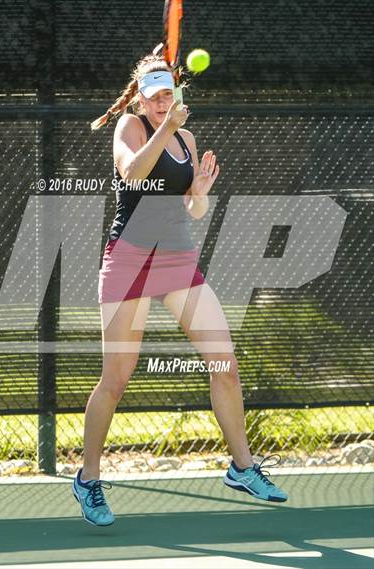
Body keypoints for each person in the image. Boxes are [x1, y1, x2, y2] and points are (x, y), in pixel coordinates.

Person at [72, 53, 288, 527]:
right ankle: (88, 480)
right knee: (116, 380)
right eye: (153, 97)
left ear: (178, 92)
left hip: (177, 261)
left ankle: (242, 468)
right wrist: (165, 127)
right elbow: (133, 175)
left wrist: (201, 190)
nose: (161, 102)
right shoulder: (130, 128)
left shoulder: (186, 137)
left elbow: (192, 212)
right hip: (129, 262)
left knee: (224, 364)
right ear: (141, 98)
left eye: (168, 94)